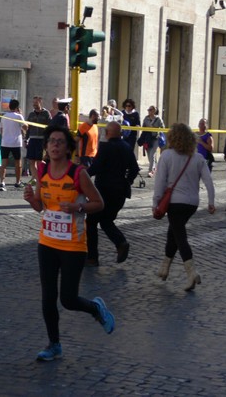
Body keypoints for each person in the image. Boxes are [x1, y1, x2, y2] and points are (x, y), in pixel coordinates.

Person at [23, 125, 114, 361]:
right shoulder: (41, 171)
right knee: (48, 297)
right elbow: (41, 207)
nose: (54, 145)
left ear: (67, 148)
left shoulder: (78, 173)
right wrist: (32, 199)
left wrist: (78, 207)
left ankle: (95, 309)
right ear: (46, 146)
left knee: (68, 299)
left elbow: (99, 203)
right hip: (47, 242)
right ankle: (54, 344)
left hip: (73, 244)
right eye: (51, 141)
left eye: (59, 142)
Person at [153, 123, 215, 291]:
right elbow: (209, 181)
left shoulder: (166, 156)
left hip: (174, 203)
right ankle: (164, 268)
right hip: (192, 203)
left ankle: (192, 273)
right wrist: (211, 202)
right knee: (173, 232)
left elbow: (159, 183)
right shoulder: (198, 158)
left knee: (180, 236)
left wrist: (155, 202)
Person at [86, 122, 140, 266]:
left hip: (103, 191)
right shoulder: (127, 147)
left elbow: (95, 168)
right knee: (106, 221)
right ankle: (121, 243)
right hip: (120, 192)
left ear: (108, 133)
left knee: (91, 222)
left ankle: (92, 257)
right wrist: (126, 181)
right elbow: (134, 169)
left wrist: (81, 174)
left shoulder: (105, 148)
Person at [0, 99, 27, 190]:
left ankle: (2, 182)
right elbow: (26, 127)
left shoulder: (4, 116)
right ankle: (18, 182)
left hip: (5, 142)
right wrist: (21, 115)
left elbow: (1, 130)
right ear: (17, 107)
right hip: (16, 143)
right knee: (18, 163)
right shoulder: (19, 116)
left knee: (4, 163)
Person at [25, 96, 51, 181]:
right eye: (33, 103)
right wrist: (26, 139)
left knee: (40, 161)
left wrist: (48, 140)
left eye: (36, 103)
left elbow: (49, 128)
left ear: (40, 102)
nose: (34, 105)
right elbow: (28, 128)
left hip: (42, 140)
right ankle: (35, 178)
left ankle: (42, 177)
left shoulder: (46, 113)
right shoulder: (31, 114)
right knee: (32, 161)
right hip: (32, 139)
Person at [140, 106, 165, 177]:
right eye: (148, 110)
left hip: (156, 138)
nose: (149, 111)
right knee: (149, 155)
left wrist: (157, 129)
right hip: (148, 138)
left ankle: (151, 171)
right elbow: (143, 128)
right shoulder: (146, 118)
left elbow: (163, 127)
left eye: (150, 110)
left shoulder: (158, 119)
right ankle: (154, 167)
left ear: (154, 111)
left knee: (152, 154)